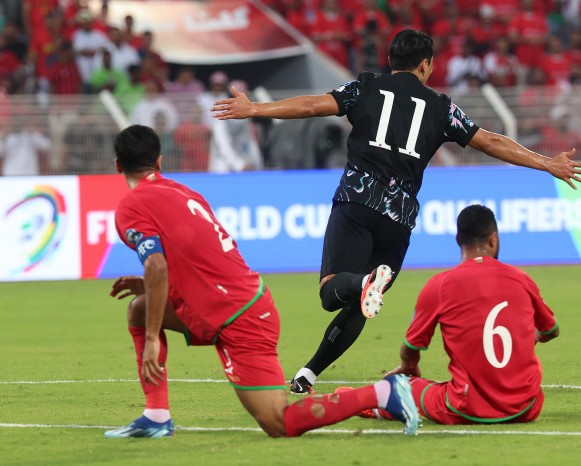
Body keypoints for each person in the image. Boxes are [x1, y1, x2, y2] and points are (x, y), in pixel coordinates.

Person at [209, 29, 581, 395]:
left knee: (332, 294)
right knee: (366, 297)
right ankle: (309, 373)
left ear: (391, 61)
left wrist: (254, 108)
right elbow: (490, 141)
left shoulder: (365, 87)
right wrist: (547, 164)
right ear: (425, 66)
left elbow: (312, 105)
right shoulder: (443, 108)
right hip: (399, 218)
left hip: (358, 202)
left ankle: (358, 288)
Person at [104, 125, 420, 438]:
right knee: (141, 308)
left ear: (118, 164)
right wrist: (153, 284)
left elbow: (157, 265)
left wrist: (151, 341)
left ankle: (381, 393)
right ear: (159, 161)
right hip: (236, 302)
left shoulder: (131, 207)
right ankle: (156, 416)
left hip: (239, 317)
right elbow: (197, 256)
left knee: (279, 423)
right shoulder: (183, 192)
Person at [348, 205, 559, 425]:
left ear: (458, 240)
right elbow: (551, 330)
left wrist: (409, 370)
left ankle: (371, 406)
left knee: (402, 386)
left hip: (467, 408)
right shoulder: (522, 279)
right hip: (527, 407)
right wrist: (524, 337)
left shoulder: (439, 285)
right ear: (493, 239)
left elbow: (410, 349)